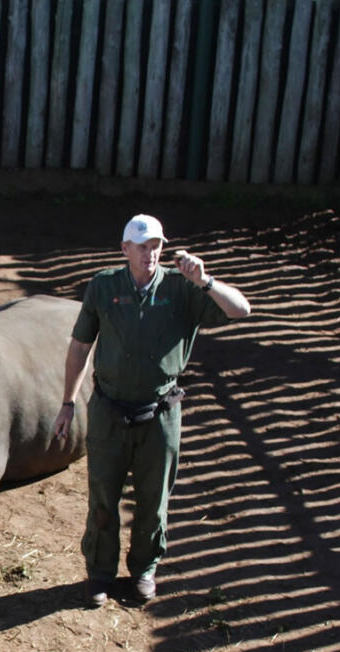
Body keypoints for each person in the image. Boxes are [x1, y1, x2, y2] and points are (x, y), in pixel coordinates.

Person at [53, 214, 250, 608]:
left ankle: (144, 569)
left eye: (156, 245)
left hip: (160, 413)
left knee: (153, 499)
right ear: (125, 249)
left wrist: (205, 281)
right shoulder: (104, 286)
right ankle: (100, 574)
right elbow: (79, 346)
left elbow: (241, 310)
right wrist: (68, 402)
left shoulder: (183, 290)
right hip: (108, 410)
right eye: (142, 246)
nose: (151, 253)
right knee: (103, 498)